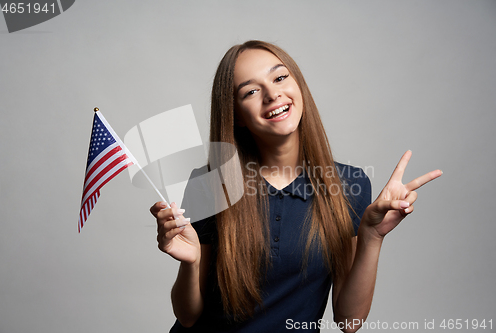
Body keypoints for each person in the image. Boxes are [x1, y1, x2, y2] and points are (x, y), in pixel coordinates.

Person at [150, 40, 442, 333]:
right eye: (251, 91)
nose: (272, 94)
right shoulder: (211, 184)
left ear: (298, 86)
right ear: (236, 115)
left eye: (279, 78)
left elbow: (349, 321)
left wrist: (372, 236)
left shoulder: (349, 185)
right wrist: (190, 263)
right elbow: (188, 317)